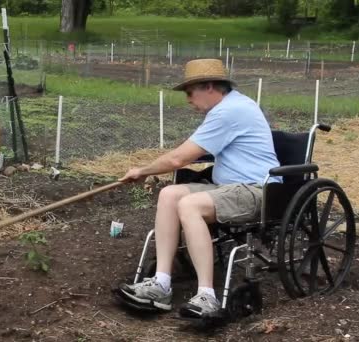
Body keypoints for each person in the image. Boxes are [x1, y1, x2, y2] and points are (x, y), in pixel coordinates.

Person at [118, 59, 280, 318]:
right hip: (227, 188)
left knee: (189, 204)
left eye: (189, 92)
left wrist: (142, 170)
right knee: (170, 194)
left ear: (209, 86)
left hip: (256, 190)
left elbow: (178, 159)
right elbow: (194, 154)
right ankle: (161, 283)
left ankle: (207, 295)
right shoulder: (230, 107)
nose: (188, 99)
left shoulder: (230, 111)